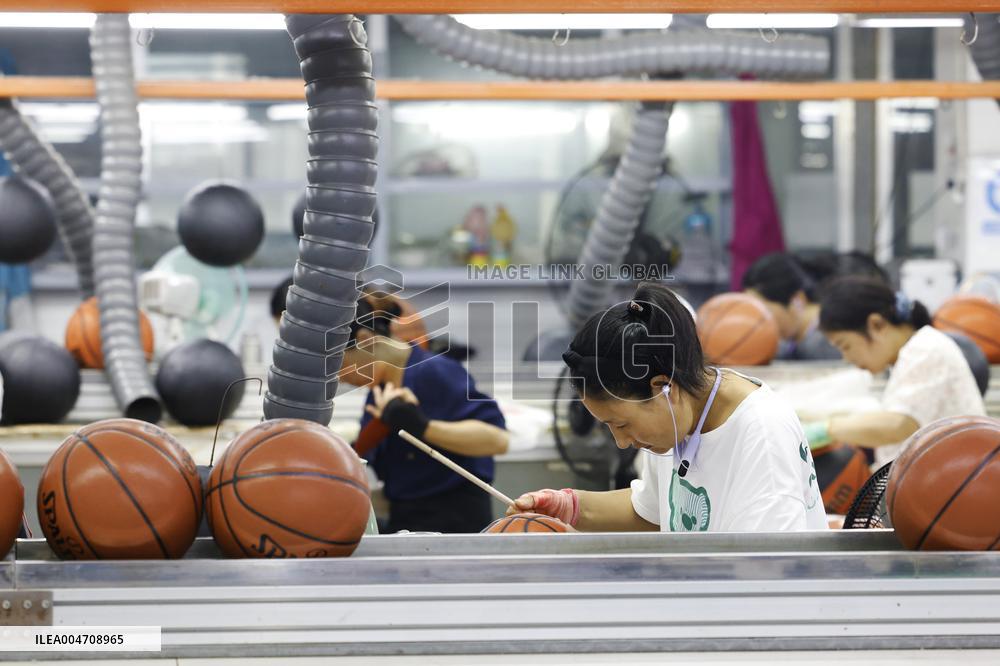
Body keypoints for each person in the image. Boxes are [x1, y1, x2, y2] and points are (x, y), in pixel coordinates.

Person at [509, 282, 827, 532]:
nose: (621, 441)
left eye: (620, 424)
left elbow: (769, 572)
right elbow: (654, 512)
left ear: (663, 388)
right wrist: (569, 507)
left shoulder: (761, 431)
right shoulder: (676, 421)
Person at [341, 298, 508, 533]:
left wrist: (421, 426)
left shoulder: (434, 372)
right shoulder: (379, 390)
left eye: (340, 363)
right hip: (408, 521)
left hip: (456, 523)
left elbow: (497, 440)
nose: (338, 377)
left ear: (364, 341)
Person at [804, 276, 987, 467]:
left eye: (845, 346)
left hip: (955, 485)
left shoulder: (926, 348)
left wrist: (827, 429)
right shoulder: (911, 354)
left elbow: (898, 425)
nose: (847, 358)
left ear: (876, 324)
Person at [742, 251, 887, 361]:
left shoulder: (825, 343)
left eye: (761, 310)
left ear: (797, 300)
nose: (755, 319)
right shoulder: (797, 343)